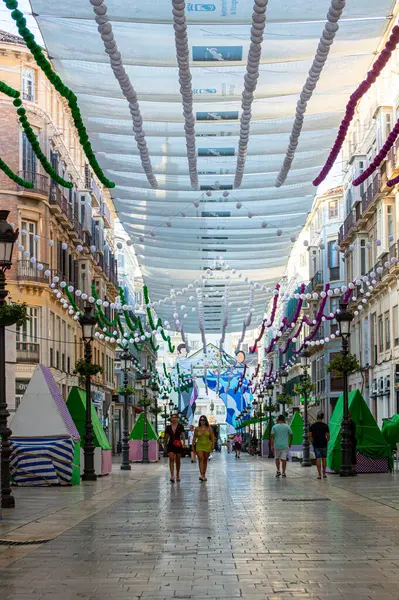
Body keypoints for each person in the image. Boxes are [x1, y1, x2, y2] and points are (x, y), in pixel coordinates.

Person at [164, 413, 186, 483]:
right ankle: (172, 476)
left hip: (178, 444)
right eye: (173, 417)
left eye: (175, 417)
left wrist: (184, 444)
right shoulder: (168, 427)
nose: (174, 419)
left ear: (177, 419)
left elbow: (183, 435)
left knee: (178, 460)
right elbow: (166, 437)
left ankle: (178, 474)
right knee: (171, 458)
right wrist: (165, 446)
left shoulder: (180, 426)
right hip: (171, 444)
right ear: (171, 419)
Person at [193, 415, 215, 481]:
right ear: (199, 421)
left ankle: (204, 474)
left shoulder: (209, 428)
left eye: (203, 420)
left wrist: (213, 445)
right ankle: (201, 474)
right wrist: (192, 446)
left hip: (207, 445)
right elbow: (194, 437)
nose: (202, 421)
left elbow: (212, 437)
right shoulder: (197, 429)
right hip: (199, 445)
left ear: (206, 421)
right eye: (201, 420)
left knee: (205, 460)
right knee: (200, 458)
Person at [309, 411, 330, 479]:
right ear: (322, 418)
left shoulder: (312, 426)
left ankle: (319, 475)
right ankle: (324, 474)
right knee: (324, 459)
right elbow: (328, 436)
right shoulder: (325, 426)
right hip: (323, 444)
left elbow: (309, 436)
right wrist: (326, 441)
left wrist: (313, 442)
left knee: (318, 459)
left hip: (316, 444)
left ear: (317, 417)